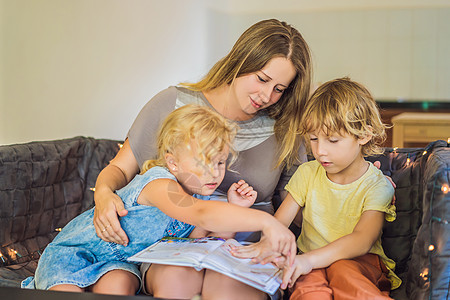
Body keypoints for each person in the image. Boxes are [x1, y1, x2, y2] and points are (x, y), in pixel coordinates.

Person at [93, 18, 312, 299]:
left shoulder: (286, 129)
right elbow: (120, 169)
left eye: (280, 89)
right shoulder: (171, 103)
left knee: (227, 289)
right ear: (240, 62)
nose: (267, 96)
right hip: (174, 240)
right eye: (262, 79)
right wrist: (103, 193)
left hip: (249, 245)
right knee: (175, 281)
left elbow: (302, 199)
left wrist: (351, 174)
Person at [21, 104, 296, 295]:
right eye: (204, 163)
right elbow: (201, 214)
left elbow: (196, 238)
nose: (215, 173)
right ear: (173, 163)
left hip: (119, 261)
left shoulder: (199, 192)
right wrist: (266, 222)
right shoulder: (159, 183)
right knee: (65, 292)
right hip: (73, 253)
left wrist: (235, 209)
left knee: (119, 287)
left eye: (221, 162)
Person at [232, 77, 402, 300]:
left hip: (361, 263)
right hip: (309, 262)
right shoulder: (307, 173)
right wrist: (266, 246)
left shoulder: (377, 185)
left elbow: (362, 240)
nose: (320, 150)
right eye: (313, 139)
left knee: (343, 271)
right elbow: (279, 223)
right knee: (307, 288)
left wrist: (308, 261)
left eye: (332, 140)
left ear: (364, 136)